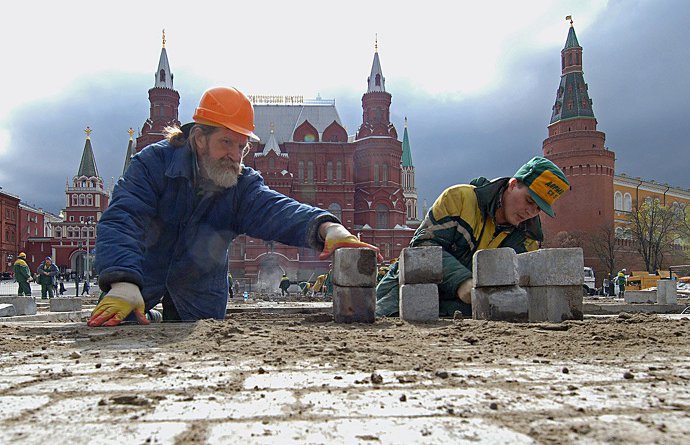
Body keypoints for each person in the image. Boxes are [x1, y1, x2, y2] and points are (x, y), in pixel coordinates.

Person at [89, 86, 379, 327]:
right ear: (199, 139)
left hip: (199, 300)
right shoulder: (153, 164)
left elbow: (275, 209)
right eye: (227, 142)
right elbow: (122, 218)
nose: (234, 155)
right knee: (119, 321)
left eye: (241, 147)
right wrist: (123, 280)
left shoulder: (239, 184)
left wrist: (326, 226)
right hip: (139, 283)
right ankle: (148, 312)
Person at [376, 156, 570, 317]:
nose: (530, 212)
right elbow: (422, 247)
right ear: (513, 184)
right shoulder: (459, 199)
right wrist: (463, 281)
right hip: (402, 294)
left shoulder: (528, 241)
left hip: (462, 311)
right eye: (529, 200)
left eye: (538, 209)